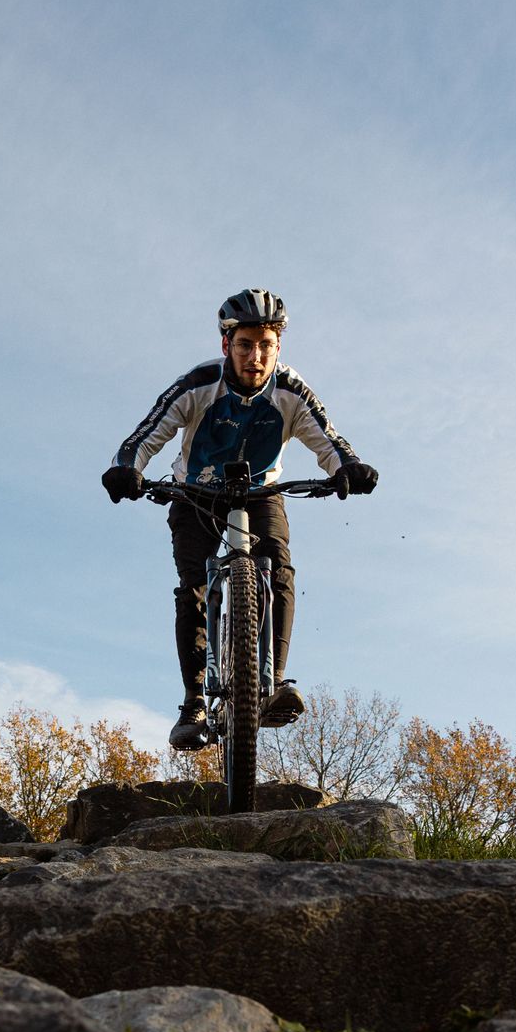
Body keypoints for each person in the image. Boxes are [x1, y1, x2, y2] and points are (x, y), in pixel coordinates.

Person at [101, 289, 377, 751]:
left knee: (279, 567)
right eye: (246, 344)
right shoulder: (199, 384)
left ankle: (273, 683)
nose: (256, 356)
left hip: (261, 494)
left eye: (266, 345)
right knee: (193, 587)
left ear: (278, 347)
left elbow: (327, 439)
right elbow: (146, 435)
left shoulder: (290, 391)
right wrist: (128, 468)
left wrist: (348, 467)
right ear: (226, 344)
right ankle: (193, 704)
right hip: (194, 495)